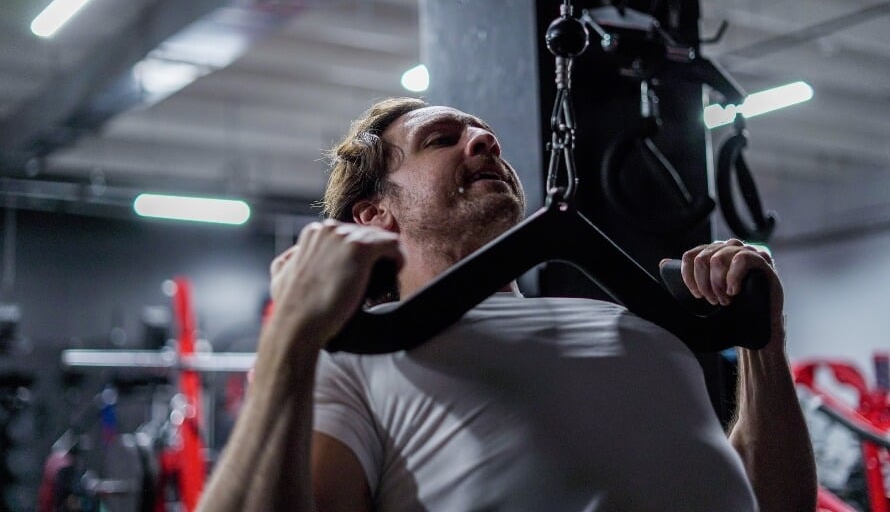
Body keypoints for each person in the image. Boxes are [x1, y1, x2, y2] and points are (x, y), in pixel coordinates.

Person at [196, 97, 816, 512]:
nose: (486, 141)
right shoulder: (360, 350)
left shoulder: (642, 325)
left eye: (484, 135)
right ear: (375, 214)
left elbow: (772, 502)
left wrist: (762, 336)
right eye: (442, 139)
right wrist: (292, 334)